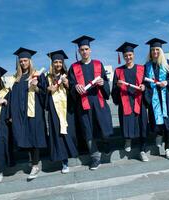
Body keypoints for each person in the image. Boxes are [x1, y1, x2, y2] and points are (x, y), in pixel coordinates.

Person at [68, 35, 113, 170]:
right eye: (82, 50)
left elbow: (105, 83)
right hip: (84, 104)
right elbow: (71, 85)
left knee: (104, 128)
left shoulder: (98, 64)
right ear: (79, 52)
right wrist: (75, 87)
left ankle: (106, 143)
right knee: (88, 131)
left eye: (86, 49)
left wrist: (103, 82)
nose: (84, 52)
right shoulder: (74, 67)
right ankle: (95, 157)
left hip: (98, 102)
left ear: (90, 50)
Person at [10, 47, 47, 180]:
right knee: (24, 136)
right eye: (21, 61)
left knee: (34, 136)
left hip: (34, 112)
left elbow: (45, 94)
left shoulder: (37, 75)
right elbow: (12, 97)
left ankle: (35, 165)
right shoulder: (16, 79)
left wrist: (36, 86)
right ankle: (32, 161)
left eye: (25, 60)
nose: (23, 63)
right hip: (20, 113)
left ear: (30, 61)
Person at [111, 42, 149, 162]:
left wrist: (144, 87)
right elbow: (114, 89)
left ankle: (142, 150)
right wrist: (117, 86)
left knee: (142, 126)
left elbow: (146, 84)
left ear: (134, 55)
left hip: (139, 101)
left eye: (130, 55)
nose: (128, 57)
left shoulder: (141, 68)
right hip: (125, 102)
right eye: (126, 55)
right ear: (123, 56)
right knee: (127, 123)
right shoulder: (118, 71)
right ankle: (128, 140)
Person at [144, 38, 169, 159]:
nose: (155, 52)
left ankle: (168, 148)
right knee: (156, 118)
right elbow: (145, 82)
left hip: (167, 97)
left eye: (157, 49)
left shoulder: (167, 64)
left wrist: (167, 82)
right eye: (153, 50)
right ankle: (158, 134)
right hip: (154, 96)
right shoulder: (147, 66)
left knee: (168, 122)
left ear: (161, 51)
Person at [45, 50, 78, 173]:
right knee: (58, 135)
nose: (58, 64)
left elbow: (75, 91)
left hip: (68, 109)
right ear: (52, 64)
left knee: (69, 132)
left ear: (63, 63)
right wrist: (48, 89)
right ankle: (64, 162)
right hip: (54, 111)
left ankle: (73, 153)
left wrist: (68, 84)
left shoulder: (69, 75)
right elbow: (43, 95)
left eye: (60, 62)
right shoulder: (47, 78)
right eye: (55, 62)